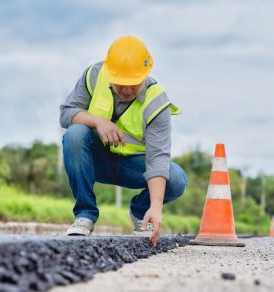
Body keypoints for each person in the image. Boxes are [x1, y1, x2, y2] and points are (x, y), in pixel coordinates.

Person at [60, 35, 187, 246]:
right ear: (110, 73)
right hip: (96, 159)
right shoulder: (93, 75)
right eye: (121, 84)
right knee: (74, 134)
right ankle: (85, 214)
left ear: (145, 75)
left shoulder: (157, 101)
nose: (127, 90)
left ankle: (139, 213)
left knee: (176, 179)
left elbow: (157, 158)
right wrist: (98, 122)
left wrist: (155, 207)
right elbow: (66, 114)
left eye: (134, 84)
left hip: (135, 167)